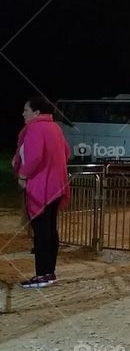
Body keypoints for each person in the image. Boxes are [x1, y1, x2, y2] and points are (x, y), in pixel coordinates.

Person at [17, 96, 70, 288]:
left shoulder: (35, 129)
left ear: (37, 112)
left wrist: (23, 175)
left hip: (41, 187)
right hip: (57, 185)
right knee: (50, 229)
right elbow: (67, 152)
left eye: (26, 110)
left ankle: (42, 275)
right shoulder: (55, 128)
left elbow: (34, 157)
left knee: (41, 232)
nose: (23, 113)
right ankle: (49, 272)